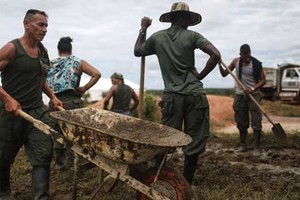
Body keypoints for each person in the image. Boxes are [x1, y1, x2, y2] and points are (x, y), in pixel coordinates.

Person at [134, 2, 221, 185]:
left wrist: (143, 30)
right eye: (187, 18)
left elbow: (137, 51)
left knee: (165, 139)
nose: (189, 21)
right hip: (194, 95)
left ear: (171, 18)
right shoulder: (193, 36)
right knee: (195, 140)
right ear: (184, 19)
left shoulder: (157, 37)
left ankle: (159, 179)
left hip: (172, 96)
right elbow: (215, 54)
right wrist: (200, 76)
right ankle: (186, 183)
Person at [0, 9, 62, 199]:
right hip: (11, 114)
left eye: (46, 26)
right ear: (26, 24)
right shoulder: (12, 48)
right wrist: (7, 98)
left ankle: (40, 197)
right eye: (40, 24)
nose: (44, 29)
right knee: (3, 158)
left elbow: (39, 79)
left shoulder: (42, 51)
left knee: (43, 153)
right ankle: (3, 194)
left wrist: (52, 96)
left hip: (37, 112)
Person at [46, 36, 101, 170]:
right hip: (72, 102)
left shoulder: (50, 63)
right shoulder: (77, 62)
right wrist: (85, 88)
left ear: (59, 50)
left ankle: (59, 163)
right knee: (74, 133)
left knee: (56, 131)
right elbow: (96, 74)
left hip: (54, 101)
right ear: (70, 49)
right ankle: (74, 163)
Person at [219, 44, 266, 152]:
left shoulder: (256, 64)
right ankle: (243, 144)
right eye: (244, 56)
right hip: (240, 95)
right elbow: (224, 74)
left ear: (250, 53)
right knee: (241, 121)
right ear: (240, 54)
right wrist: (219, 64)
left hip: (254, 94)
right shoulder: (236, 62)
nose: (246, 58)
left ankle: (256, 146)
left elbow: (263, 81)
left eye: (248, 55)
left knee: (256, 120)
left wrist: (253, 88)